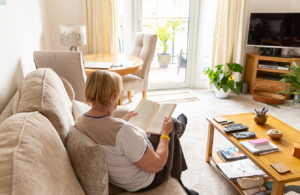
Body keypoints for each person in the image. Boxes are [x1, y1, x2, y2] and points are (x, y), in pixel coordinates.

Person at [75, 70, 198, 195]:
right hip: (145, 181)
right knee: (170, 126)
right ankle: (180, 127)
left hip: (125, 172)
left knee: (164, 125)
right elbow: (158, 164)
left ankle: (178, 129)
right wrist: (165, 135)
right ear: (112, 97)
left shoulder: (80, 120)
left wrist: (122, 121)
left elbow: (103, 131)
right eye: (119, 94)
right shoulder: (123, 132)